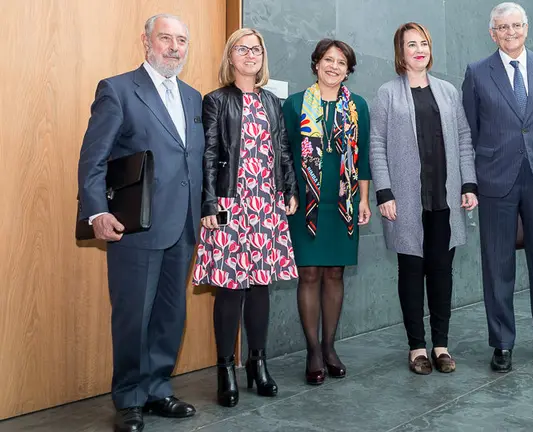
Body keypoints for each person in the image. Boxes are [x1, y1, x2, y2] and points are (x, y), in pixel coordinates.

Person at [77, 13, 202, 432]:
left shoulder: (192, 97)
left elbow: (193, 161)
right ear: (146, 42)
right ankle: (129, 397)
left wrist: (205, 210)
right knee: (133, 314)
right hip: (137, 226)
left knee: (171, 313)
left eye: (181, 40)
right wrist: (97, 212)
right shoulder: (117, 90)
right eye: (165, 38)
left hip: (183, 225)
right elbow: (93, 159)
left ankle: (157, 389)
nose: (174, 47)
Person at [461, 2, 533, 373]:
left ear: (526, 27)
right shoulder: (477, 72)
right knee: (498, 266)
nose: (510, 32)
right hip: (496, 178)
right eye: (502, 27)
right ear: (492, 33)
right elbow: (471, 126)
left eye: (516, 25)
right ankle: (502, 344)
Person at [192, 28, 300, 407]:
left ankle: (257, 363)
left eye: (256, 49)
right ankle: (226, 369)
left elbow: (283, 151)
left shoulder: (272, 102)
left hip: (267, 203)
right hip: (229, 203)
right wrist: (209, 203)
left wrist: (289, 190)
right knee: (229, 287)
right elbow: (207, 154)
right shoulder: (216, 101)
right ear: (231, 56)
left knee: (260, 286)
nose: (250, 55)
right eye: (242, 49)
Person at [370, 23, 477, 375]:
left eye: (424, 43)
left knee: (442, 272)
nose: (419, 49)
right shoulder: (388, 92)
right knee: (412, 271)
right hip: (404, 199)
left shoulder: (447, 92)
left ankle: (441, 345)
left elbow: (463, 138)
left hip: (444, 198)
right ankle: (417, 347)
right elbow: (376, 145)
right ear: (400, 53)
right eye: (410, 44)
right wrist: (383, 191)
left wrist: (468, 183)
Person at [282, 39, 372, 385]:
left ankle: (330, 346)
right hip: (305, 203)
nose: (334, 66)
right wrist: (287, 194)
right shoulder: (294, 105)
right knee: (308, 275)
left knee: (334, 273)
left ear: (348, 70)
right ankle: (313, 351)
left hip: (344, 201)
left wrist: (363, 200)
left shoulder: (358, 106)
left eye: (341, 62)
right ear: (316, 64)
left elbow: (362, 157)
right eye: (328, 60)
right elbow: (285, 156)